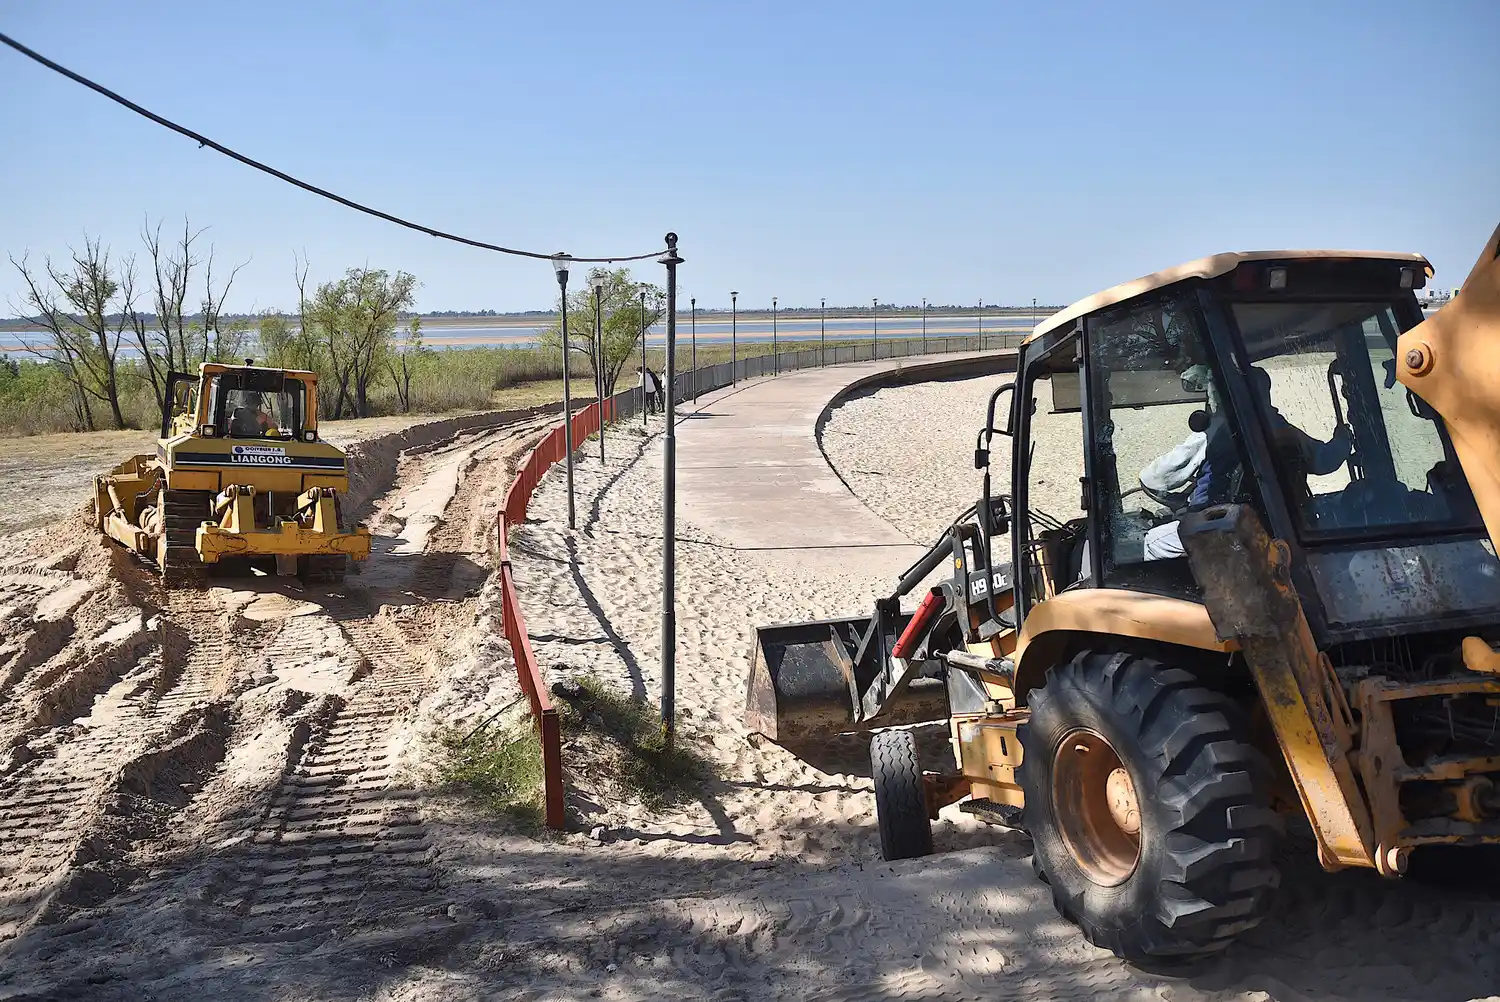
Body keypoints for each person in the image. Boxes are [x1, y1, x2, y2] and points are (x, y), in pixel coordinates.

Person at [1142, 364, 1350, 560]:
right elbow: (1326, 461)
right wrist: (1342, 438)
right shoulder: (1285, 431)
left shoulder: (1214, 431)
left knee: (1153, 541)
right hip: (1275, 524)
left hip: (1222, 525)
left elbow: (1154, 479)